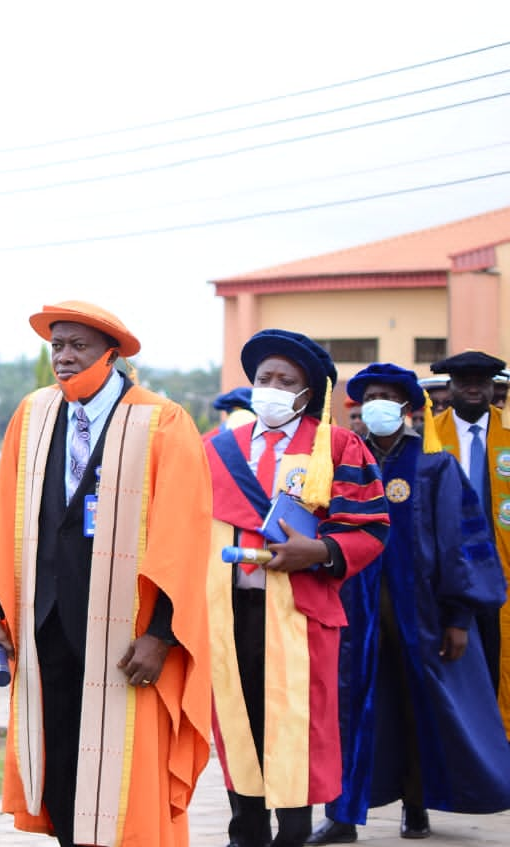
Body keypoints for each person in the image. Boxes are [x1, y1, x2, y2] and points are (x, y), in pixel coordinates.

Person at [0, 300, 214, 847]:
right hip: (47, 626)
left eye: (76, 346)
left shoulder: (162, 421)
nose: (62, 357)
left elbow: (183, 538)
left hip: (127, 635)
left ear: (111, 353)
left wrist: (161, 636)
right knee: (60, 765)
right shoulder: (33, 415)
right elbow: (10, 520)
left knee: (127, 779)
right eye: (56, 345)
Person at [308, 364, 510, 845]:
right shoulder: (344, 463)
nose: (376, 404)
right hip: (354, 615)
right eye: (369, 396)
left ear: (408, 409)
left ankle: (415, 806)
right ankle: (342, 815)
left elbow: (463, 542)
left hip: (418, 616)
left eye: (387, 396)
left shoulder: (433, 465)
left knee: (420, 709)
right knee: (349, 713)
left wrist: (459, 617)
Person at [205, 329, 389, 847]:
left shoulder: (335, 446)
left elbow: (372, 526)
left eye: (286, 380)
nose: (272, 387)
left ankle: (292, 833)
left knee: (297, 727)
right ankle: (245, 831)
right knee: (239, 719)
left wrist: (324, 552)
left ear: (308, 394)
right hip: (231, 611)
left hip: (300, 612)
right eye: (264, 378)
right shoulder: (218, 448)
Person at [428, 350, 510, 738]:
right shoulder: (429, 434)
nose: (474, 387)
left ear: (495, 386)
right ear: (451, 387)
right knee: (452, 660)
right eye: (465, 381)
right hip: (448, 572)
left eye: (482, 380)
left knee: (500, 660)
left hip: (501, 572)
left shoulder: (508, 432)